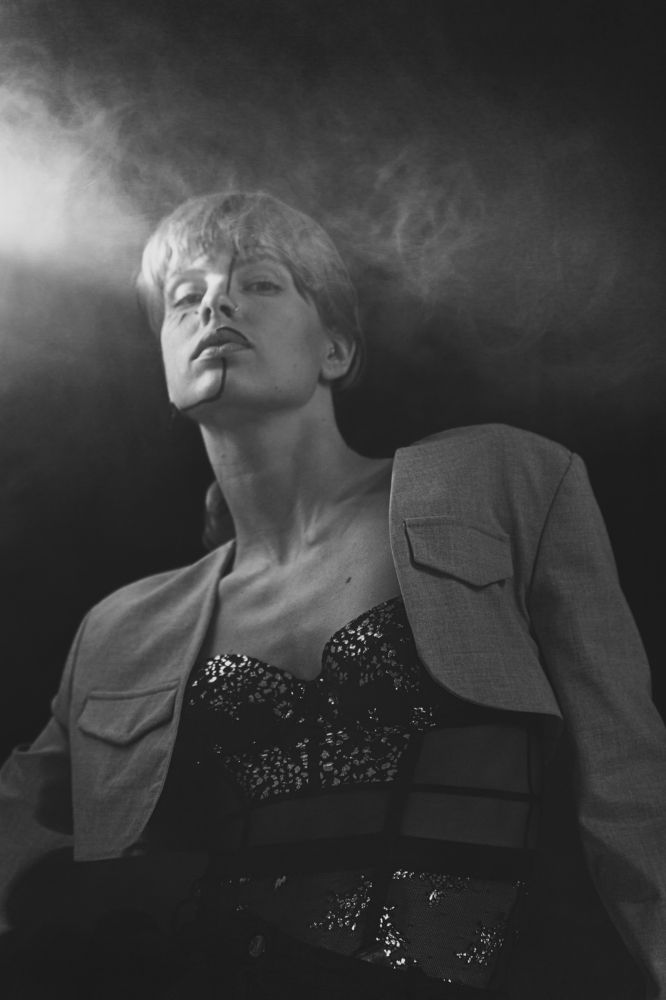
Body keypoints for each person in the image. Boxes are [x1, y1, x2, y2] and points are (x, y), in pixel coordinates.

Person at [1, 190, 665, 1000]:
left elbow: (630, 780)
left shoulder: (500, 478)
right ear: (166, 366)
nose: (214, 304)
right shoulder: (122, 627)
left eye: (259, 283)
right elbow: (18, 825)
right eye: (184, 298)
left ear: (336, 351)